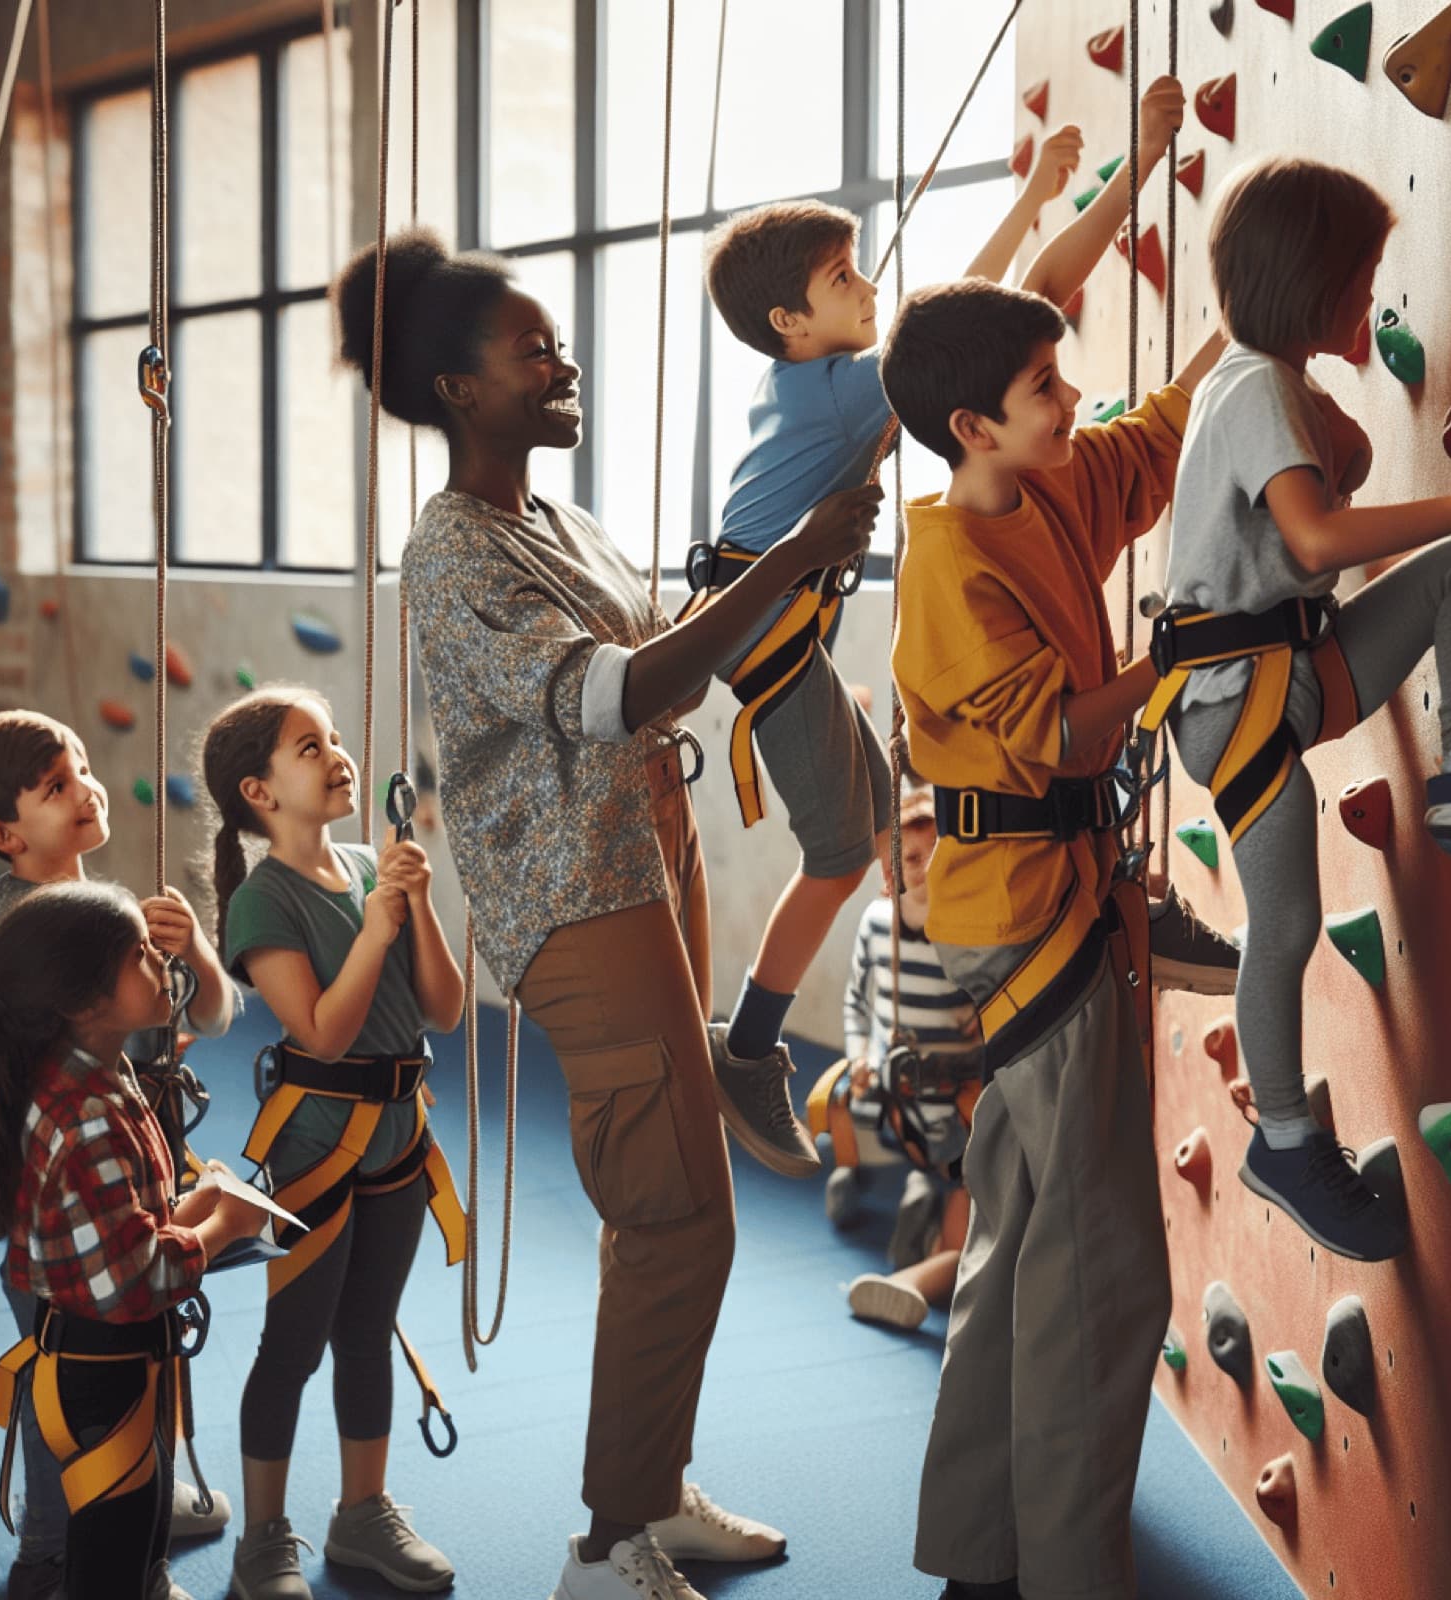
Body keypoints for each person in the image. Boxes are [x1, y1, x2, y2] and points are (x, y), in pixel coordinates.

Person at [334, 227, 878, 1600]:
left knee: (676, 1211)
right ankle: (603, 1546)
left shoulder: (563, 526)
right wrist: (792, 554)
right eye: (534, 351)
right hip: (579, 902)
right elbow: (613, 694)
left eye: (560, 344)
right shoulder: (452, 551)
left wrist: (798, 537)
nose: (562, 365)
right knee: (677, 1213)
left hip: (648, 857)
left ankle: (649, 1488)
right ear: (457, 388)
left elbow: (671, 675)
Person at [698, 82, 1204, 1164]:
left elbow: (989, 307)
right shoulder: (840, 388)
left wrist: (1051, 191)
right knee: (841, 853)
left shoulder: (807, 384)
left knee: (892, 821)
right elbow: (977, 312)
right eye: (843, 279)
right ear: (792, 323)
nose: (868, 285)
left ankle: (1095, 898)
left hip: (778, 626)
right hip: (767, 633)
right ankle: (745, 1046)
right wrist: (1056, 190)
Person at [883, 272, 1227, 1600]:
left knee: (1025, 1231)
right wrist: (1180, 658)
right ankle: (1070, 1572)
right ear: (974, 426)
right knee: (1101, 1266)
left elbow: (1156, 430)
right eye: (1044, 387)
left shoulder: (1051, 484)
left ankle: (982, 1557)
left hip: (1052, 895)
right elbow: (1074, 734)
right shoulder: (947, 567)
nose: (1072, 397)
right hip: (1027, 916)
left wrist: (1242, 331)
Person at [1154, 155, 1451, 1261]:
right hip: (1240, 704)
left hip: (1289, 668)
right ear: (1307, 281)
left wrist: (1340, 439)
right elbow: (1313, 542)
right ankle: (1285, 1140)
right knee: (1288, 926)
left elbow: (1310, 511)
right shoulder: (1256, 386)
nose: (1367, 302)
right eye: (1357, 283)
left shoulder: (1261, 384)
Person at [0, 710, 239, 1600]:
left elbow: (211, 1015)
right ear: (6, 833)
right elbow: (32, 1055)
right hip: (70, 1192)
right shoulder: (24, 937)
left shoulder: (103, 916)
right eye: (57, 785)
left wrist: (187, 949)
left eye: (83, 769)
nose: (88, 790)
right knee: (66, 1382)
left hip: (121, 1167)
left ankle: (132, 1496)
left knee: (136, 1366)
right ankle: (52, 1549)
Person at [203, 685, 465, 1600]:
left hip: (399, 1138)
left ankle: (362, 1511)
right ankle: (263, 1538)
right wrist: (379, 925)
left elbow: (444, 1009)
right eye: (309, 748)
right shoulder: (261, 904)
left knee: (366, 1333)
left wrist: (416, 901)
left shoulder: (367, 866)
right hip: (317, 1148)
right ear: (260, 792)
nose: (338, 755)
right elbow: (321, 1034)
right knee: (295, 1343)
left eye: (336, 739)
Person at [835, 784, 978, 1331]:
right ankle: (911, 1197)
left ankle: (920, 1259)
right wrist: (858, 1055)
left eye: (936, 854)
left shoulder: (967, 933)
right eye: (912, 859)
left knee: (964, 1229)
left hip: (956, 1100)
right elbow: (855, 1000)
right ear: (891, 872)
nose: (925, 870)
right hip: (895, 1094)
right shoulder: (876, 924)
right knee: (958, 1191)